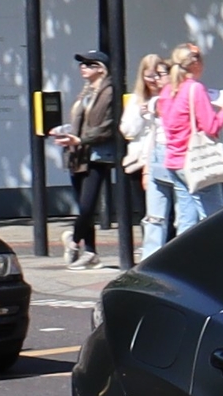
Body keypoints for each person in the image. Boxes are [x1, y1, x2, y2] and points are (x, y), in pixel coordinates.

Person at [150, 41, 223, 248]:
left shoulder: (167, 91)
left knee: (186, 218)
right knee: (213, 217)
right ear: (196, 64)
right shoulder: (195, 89)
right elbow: (211, 127)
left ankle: (183, 259)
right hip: (197, 161)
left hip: (174, 161)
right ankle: (216, 260)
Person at [50, 51, 120, 267]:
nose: (83, 67)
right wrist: (62, 131)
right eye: (82, 64)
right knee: (83, 207)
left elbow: (107, 126)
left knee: (88, 205)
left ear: (102, 68)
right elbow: (80, 123)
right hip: (77, 154)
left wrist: (79, 139)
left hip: (96, 155)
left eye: (89, 64)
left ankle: (73, 237)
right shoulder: (86, 93)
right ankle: (90, 251)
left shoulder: (109, 92)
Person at [116, 52, 166, 248]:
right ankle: (150, 246)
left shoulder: (169, 97)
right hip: (138, 162)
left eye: (157, 75)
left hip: (162, 158)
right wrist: (141, 113)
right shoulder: (136, 100)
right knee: (145, 210)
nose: (153, 80)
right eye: (148, 75)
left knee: (165, 210)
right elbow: (127, 130)